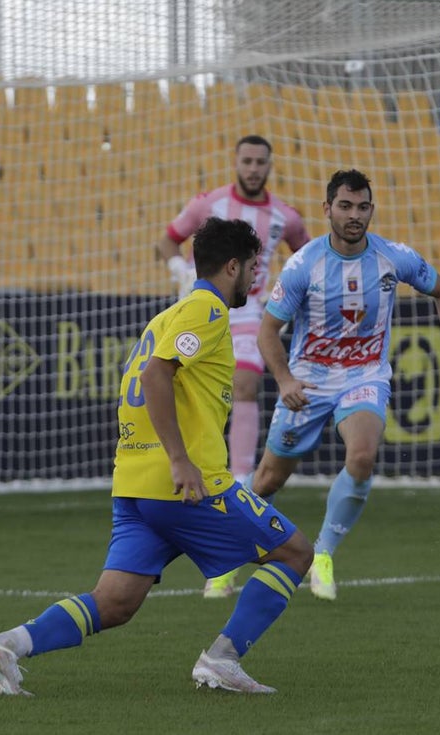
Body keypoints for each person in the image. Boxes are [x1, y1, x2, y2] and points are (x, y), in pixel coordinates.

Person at [0, 217, 313, 696]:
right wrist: (178, 458)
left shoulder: (164, 318)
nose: (258, 278)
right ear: (232, 266)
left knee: (114, 603)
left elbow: (144, 379)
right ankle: (222, 659)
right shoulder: (206, 311)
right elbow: (156, 377)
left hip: (135, 483)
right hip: (188, 486)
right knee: (295, 553)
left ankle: (5, 645)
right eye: (254, 267)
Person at [250, 168, 440, 600]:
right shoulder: (304, 264)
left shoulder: (393, 257)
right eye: (345, 206)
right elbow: (267, 331)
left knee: (361, 455)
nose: (354, 215)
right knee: (266, 481)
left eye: (362, 207)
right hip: (308, 381)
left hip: (364, 377)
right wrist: (284, 380)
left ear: (371, 209)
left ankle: (323, 553)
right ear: (327, 210)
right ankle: (228, 553)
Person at [155, 134, 311, 599]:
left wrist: (292, 291)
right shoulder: (210, 203)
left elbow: (305, 255)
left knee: (244, 384)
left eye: (261, 161)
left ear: (269, 165)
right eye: (246, 160)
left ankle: (241, 481)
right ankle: (192, 469)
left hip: (251, 314)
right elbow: (166, 240)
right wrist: (181, 271)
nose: (253, 167)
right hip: (202, 305)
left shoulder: (286, 216)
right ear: (236, 162)